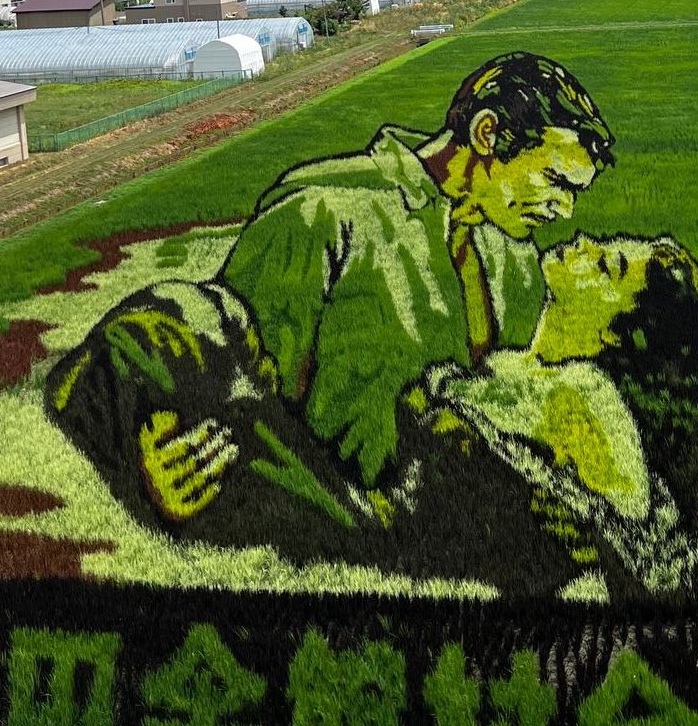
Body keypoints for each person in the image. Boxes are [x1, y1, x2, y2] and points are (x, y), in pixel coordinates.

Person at [217, 52, 614, 488]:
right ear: (487, 134)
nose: (565, 209)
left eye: (575, 193)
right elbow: (241, 402)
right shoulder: (318, 211)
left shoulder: (516, 260)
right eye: (556, 181)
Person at [396, 232, 698, 600]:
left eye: (606, 267)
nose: (585, 241)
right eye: (606, 243)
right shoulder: (513, 367)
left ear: (612, 333)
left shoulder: (585, 394)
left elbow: (454, 393)